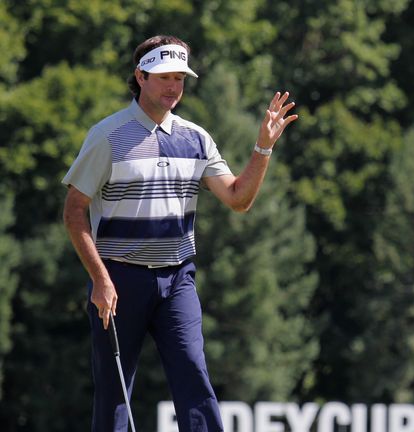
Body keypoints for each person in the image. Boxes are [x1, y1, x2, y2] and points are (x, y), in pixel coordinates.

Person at [62, 34, 298, 432]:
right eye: (164, 77)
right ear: (140, 76)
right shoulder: (107, 136)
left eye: (180, 79)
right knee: (114, 390)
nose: (174, 87)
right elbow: (74, 212)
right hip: (119, 280)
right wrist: (100, 279)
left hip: (178, 279)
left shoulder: (196, 139)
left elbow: (238, 199)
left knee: (194, 375)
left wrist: (262, 148)